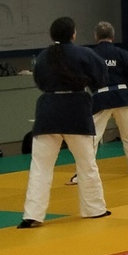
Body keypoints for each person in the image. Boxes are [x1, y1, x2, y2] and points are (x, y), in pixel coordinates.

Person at [21, 17, 109, 228]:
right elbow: (101, 79)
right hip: (76, 111)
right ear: (73, 34)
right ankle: (94, 209)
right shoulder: (85, 54)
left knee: (40, 167)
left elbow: (39, 81)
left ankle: (32, 215)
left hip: (48, 111)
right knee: (86, 163)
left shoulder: (43, 56)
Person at [82, 21, 128, 178]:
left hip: (101, 97)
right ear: (113, 35)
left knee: (92, 137)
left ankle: (84, 173)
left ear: (96, 36)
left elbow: (84, 77)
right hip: (122, 96)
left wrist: (95, 87)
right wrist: (124, 85)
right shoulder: (123, 54)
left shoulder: (90, 55)